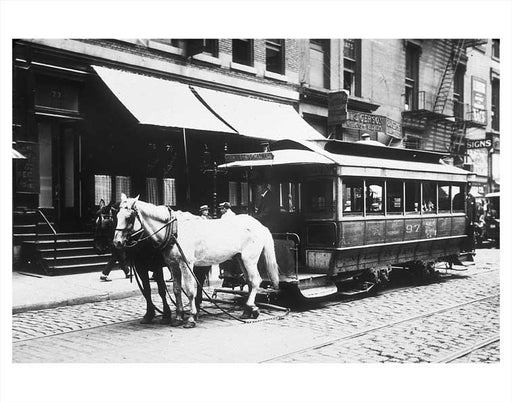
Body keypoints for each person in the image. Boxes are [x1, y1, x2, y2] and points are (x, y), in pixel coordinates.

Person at [98, 201, 131, 282]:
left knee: (120, 256)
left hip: (112, 240)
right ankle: (104, 274)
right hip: (116, 240)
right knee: (115, 257)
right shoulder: (117, 219)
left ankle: (127, 272)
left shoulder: (111, 219)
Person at [194, 205, 212, 309]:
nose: (206, 212)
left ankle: (199, 296)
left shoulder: (210, 220)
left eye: (206, 210)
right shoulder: (198, 220)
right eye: (204, 210)